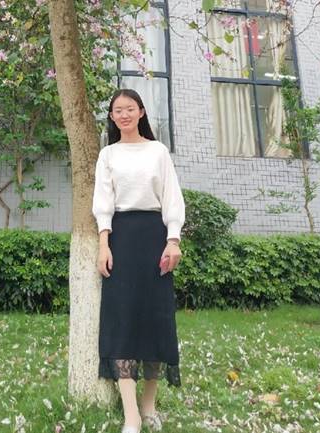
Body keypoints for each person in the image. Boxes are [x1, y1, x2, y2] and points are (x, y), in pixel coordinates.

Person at [92, 89, 185, 433]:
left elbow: (172, 198)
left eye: (130, 108)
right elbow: (103, 201)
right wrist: (104, 244)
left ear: (141, 112)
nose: (124, 114)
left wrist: (173, 240)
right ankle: (131, 415)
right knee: (122, 322)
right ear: (112, 117)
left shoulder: (158, 151)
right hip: (121, 239)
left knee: (154, 321)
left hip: (154, 239)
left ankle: (148, 405)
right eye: (118, 110)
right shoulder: (108, 154)